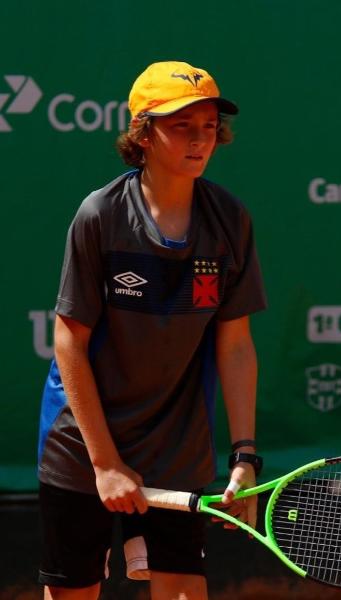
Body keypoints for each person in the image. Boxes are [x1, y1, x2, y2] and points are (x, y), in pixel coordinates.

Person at [37, 60, 267, 600]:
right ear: (142, 133)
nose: (199, 139)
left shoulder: (230, 221)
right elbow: (69, 339)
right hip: (83, 445)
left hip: (177, 450)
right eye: (181, 126)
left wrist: (245, 458)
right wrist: (105, 464)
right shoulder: (101, 216)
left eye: (208, 126)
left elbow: (235, 345)